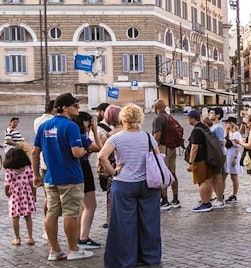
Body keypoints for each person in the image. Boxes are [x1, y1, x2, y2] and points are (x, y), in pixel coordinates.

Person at [97, 103, 162, 268]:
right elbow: (156, 157)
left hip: (124, 183)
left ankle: (126, 259)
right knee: (149, 221)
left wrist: (113, 171)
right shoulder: (148, 137)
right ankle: (149, 256)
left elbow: (102, 156)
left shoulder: (116, 137)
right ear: (140, 118)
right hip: (148, 184)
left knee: (124, 223)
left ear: (122, 118)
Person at [31, 93, 92, 261]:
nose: (78, 108)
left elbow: (35, 151)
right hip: (70, 177)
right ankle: (73, 249)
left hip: (51, 177)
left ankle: (55, 250)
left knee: (51, 213)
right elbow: (76, 152)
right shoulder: (70, 126)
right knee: (71, 214)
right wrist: (85, 151)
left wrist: (36, 174)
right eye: (76, 105)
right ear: (65, 107)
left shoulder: (45, 126)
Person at [72, 111, 102, 250]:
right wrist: (95, 132)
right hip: (83, 168)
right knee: (90, 205)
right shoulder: (81, 137)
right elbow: (98, 147)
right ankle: (83, 237)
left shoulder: (70, 133)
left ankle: (77, 237)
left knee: (79, 207)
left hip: (73, 170)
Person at [150, 100, 180, 210]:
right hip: (172, 148)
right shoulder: (170, 117)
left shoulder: (158, 119)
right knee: (172, 173)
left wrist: (152, 148)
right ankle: (175, 198)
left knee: (162, 174)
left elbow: (157, 136)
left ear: (156, 107)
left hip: (163, 148)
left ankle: (165, 200)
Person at [3, 146, 37, 246]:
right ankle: (30, 237)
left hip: (15, 195)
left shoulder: (9, 171)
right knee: (28, 216)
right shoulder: (27, 168)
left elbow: (7, 184)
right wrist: (34, 195)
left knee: (15, 217)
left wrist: (7, 193)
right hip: (27, 194)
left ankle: (17, 238)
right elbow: (32, 182)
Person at [185, 109, 216, 213]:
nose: (187, 120)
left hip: (199, 160)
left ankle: (205, 203)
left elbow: (194, 148)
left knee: (201, 182)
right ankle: (207, 201)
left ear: (193, 119)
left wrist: (190, 163)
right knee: (207, 180)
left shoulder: (197, 130)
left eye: (188, 118)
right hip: (208, 158)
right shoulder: (205, 127)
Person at [206, 107, 228, 207]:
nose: (209, 114)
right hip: (214, 154)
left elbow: (220, 142)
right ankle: (218, 197)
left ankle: (220, 199)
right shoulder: (213, 126)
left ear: (218, 115)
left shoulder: (218, 127)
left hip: (218, 155)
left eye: (212, 113)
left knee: (218, 177)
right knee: (213, 178)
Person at [223, 117, 243, 204]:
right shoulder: (226, 133)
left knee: (234, 177)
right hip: (226, 155)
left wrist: (235, 158)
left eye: (227, 123)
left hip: (233, 155)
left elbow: (238, 147)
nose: (226, 124)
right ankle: (221, 193)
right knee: (223, 175)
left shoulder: (236, 134)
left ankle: (234, 195)